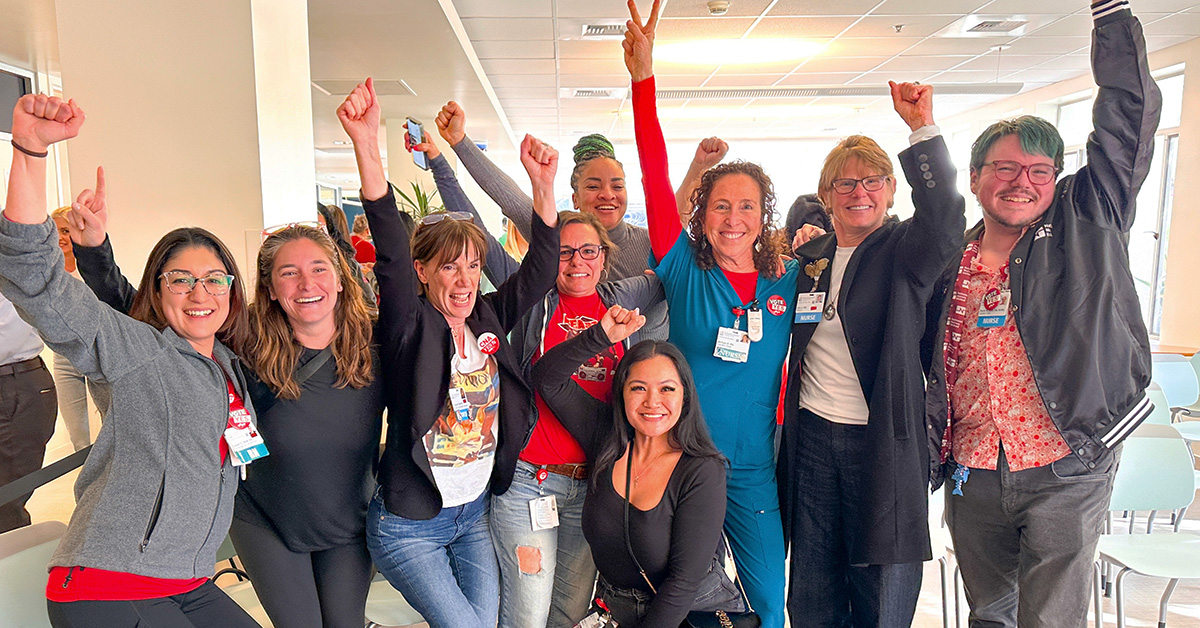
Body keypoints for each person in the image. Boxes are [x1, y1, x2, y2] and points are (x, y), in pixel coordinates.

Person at [923, 2, 1161, 626]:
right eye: (1004, 168)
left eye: (1039, 170)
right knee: (991, 615)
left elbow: (1127, 118)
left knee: (1051, 619)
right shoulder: (951, 263)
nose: (1022, 181)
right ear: (975, 178)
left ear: (1059, 179)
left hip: (1067, 459)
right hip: (974, 467)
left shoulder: (1090, 217)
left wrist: (1111, 16)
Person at [1, 94, 259, 626]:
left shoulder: (229, 366)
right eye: (180, 279)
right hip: (108, 585)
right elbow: (36, 278)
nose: (199, 292)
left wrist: (97, 247)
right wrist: (29, 151)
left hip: (187, 581)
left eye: (214, 279)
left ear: (232, 290)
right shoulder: (138, 351)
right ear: (157, 292)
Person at [416, 114, 667, 627]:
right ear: (550, 256)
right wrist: (444, 163)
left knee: (569, 611)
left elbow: (681, 265)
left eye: (589, 251)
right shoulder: (533, 298)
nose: (577, 262)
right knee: (528, 613)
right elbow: (477, 231)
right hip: (531, 481)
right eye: (565, 252)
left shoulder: (625, 299)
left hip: (594, 486)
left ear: (604, 255)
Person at [338, 77, 560, 628]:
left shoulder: (485, 317)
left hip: (473, 515)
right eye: (448, 266)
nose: (463, 280)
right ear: (423, 272)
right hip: (410, 523)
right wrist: (369, 148)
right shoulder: (409, 326)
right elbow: (388, 248)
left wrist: (543, 188)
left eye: (472, 265)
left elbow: (539, 273)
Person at [624, 2, 798, 624]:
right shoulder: (682, 267)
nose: (733, 218)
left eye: (746, 207)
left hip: (751, 466)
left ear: (763, 214)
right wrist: (643, 78)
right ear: (702, 214)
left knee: (768, 607)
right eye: (720, 206)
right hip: (680, 464)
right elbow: (652, 168)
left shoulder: (790, 276)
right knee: (683, 603)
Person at [779, 83, 966, 627]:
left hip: (880, 441)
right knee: (812, 582)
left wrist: (922, 127)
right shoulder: (810, 257)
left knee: (881, 584)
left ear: (890, 190)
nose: (859, 192)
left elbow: (945, 215)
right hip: (813, 437)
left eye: (873, 181)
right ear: (827, 192)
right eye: (846, 183)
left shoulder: (908, 250)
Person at [532, 308, 747, 628]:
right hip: (614, 609)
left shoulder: (702, 471)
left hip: (688, 611)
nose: (652, 402)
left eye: (667, 389)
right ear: (621, 392)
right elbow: (546, 377)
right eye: (638, 388)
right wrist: (600, 337)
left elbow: (683, 583)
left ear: (685, 396)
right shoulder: (605, 434)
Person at [48, 206, 99, 452]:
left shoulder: (91, 270)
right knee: (79, 436)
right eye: (55, 231)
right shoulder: (48, 272)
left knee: (107, 428)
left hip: (97, 356)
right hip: (64, 359)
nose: (60, 237)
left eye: (66, 230)